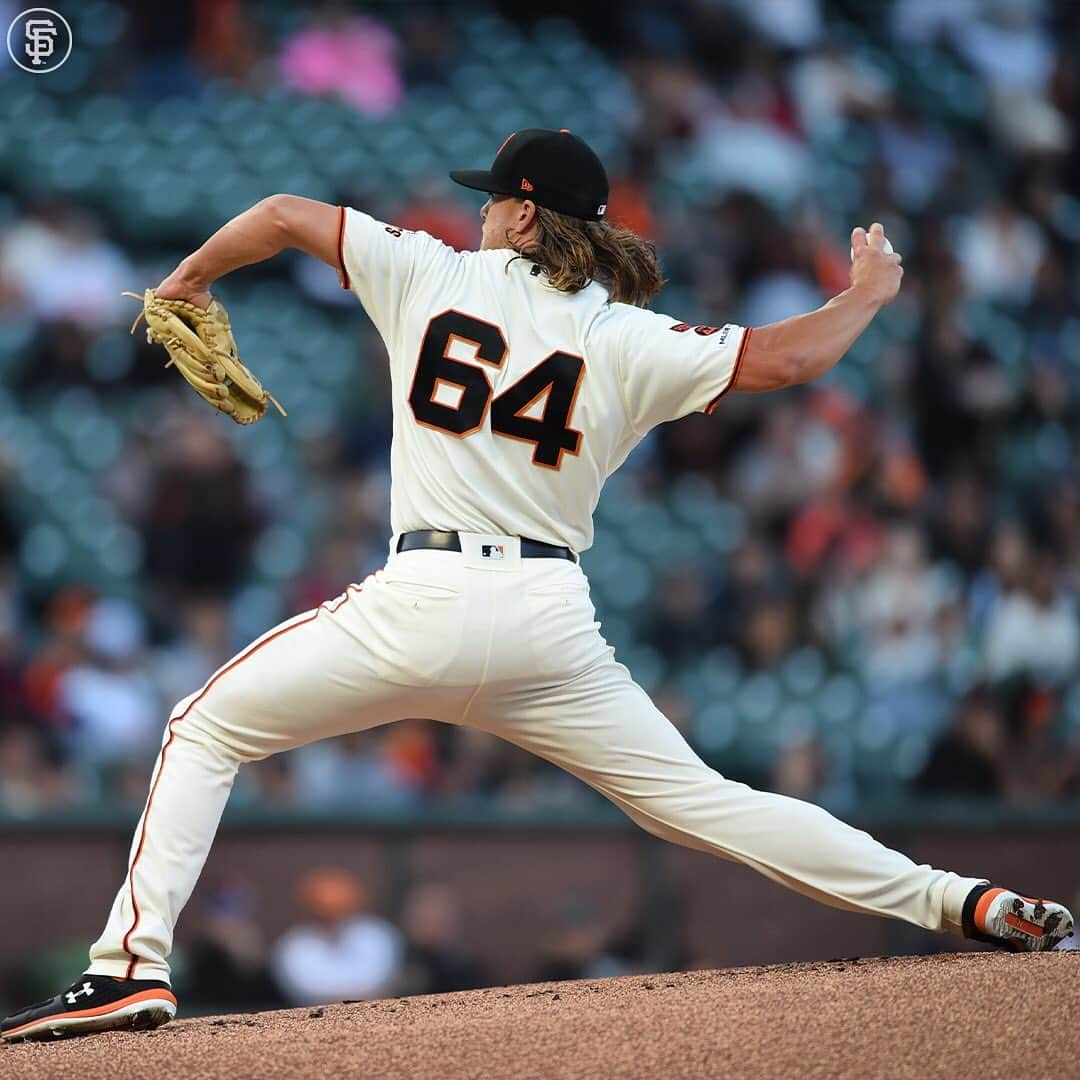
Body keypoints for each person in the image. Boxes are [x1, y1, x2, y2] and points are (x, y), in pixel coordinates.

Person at [2, 129, 1071, 1042]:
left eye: (490, 199)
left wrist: (190, 275)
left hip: (419, 598)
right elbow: (790, 362)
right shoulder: (625, 335)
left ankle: (130, 965)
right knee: (709, 804)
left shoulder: (427, 274)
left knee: (202, 727)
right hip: (549, 627)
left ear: (523, 215)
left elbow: (284, 211)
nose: (475, 216)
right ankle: (960, 899)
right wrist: (867, 295)